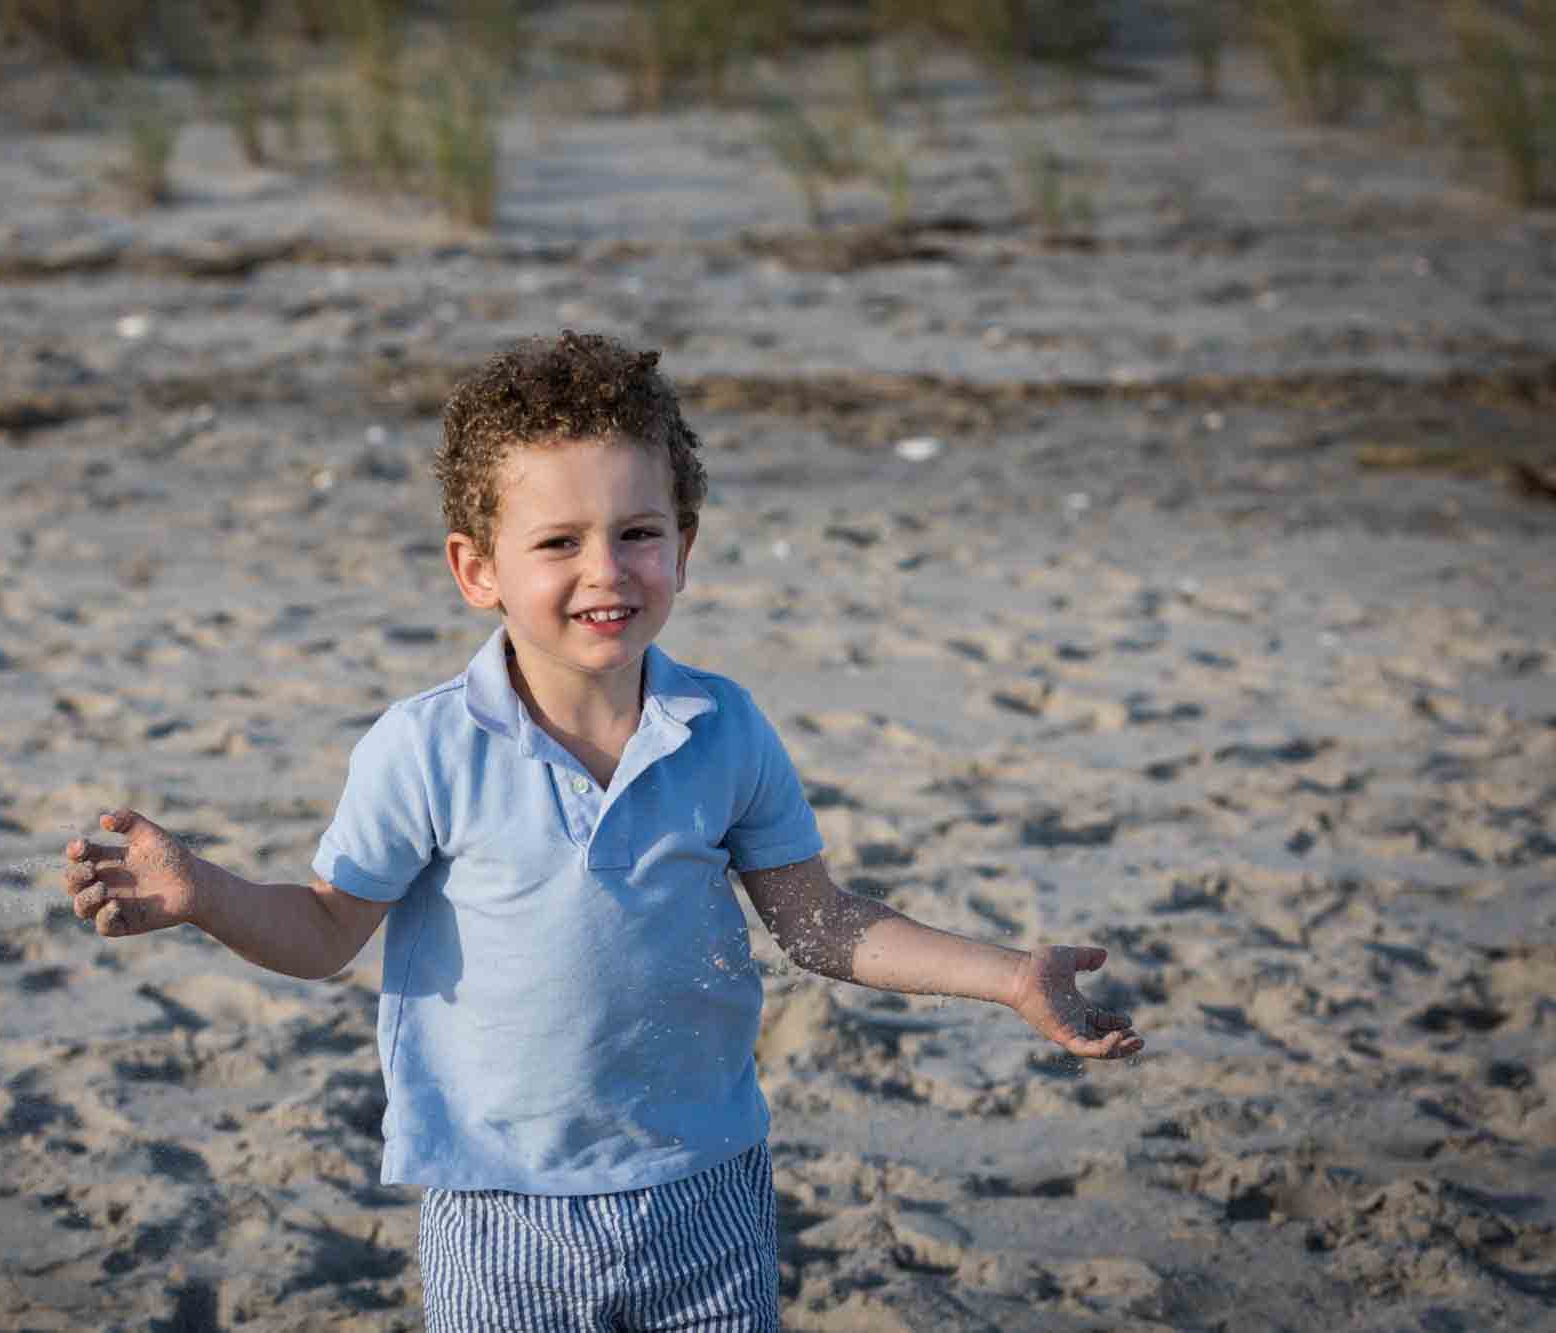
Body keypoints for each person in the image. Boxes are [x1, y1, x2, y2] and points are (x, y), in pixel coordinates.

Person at [60, 330, 1142, 1331]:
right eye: (557, 541)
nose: (604, 570)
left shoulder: (721, 728)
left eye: (636, 533)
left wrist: (1005, 976)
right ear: (475, 568)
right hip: (497, 1202)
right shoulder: (426, 747)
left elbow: (816, 924)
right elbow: (324, 929)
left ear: (684, 543)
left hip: (704, 1186)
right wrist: (202, 894)